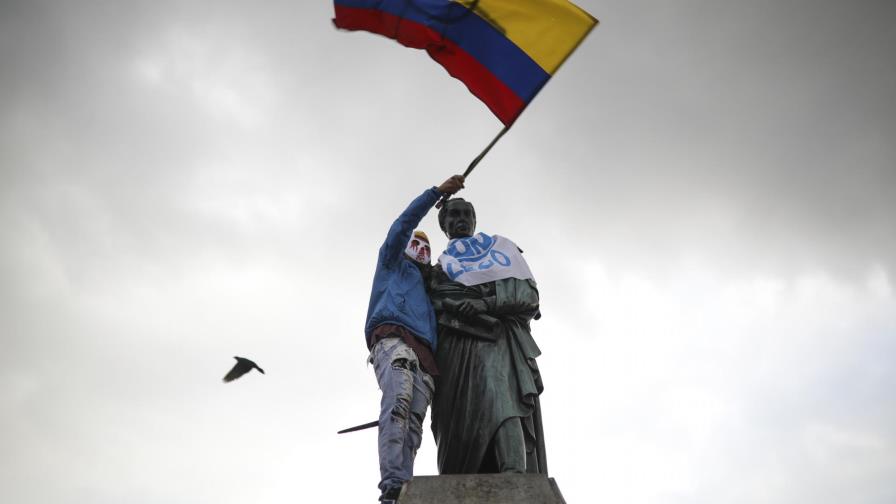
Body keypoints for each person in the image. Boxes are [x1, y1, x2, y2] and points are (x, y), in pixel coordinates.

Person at [429, 197, 548, 475]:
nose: (461, 219)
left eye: (466, 214)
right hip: (453, 349)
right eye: (453, 214)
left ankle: (514, 474)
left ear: (474, 220)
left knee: (502, 400)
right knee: (454, 422)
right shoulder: (437, 270)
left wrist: (486, 303)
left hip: (496, 340)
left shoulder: (501, 253)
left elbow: (528, 296)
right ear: (444, 225)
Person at [365, 175, 464, 503]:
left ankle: (402, 490)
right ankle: (391, 483)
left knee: (414, 424)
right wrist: (436, 193)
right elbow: (402, 225)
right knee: (399, 402)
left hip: (426, 357)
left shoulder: (430, 286)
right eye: (416, 244)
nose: (421, 249)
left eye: (426, 247)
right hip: (393, 340)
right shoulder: (392, 264)